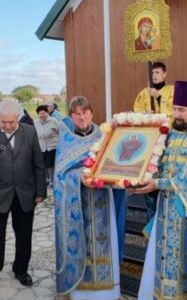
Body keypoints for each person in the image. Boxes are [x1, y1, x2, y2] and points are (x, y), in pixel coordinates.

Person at [131, 81, 187, 299]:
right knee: (162, 270)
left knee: (182, 272)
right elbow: (161, 164)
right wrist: (142, 175)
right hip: (165, 212)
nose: (176, 115)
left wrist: (157, 184)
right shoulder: (175, 131)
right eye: (174, 108)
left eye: (181, 110)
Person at [54, 96, 128, 299]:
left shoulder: (103, 136)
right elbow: (60, 175)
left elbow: (115, 163)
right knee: (82, 245)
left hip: (102, 203)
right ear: (71, 116)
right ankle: (79, 293)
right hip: (76, 205)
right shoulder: (66, 138)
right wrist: (80, 176)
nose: (81, 117)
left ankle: (107, 292)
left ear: (91, 114)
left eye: (85, 113)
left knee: (104, 244)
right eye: (77, 114)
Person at [0, 99, 46, 300]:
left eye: (11, 122)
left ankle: (21, 270)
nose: (7, 126)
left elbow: (38, 162)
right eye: (3, 122)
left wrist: (40, 190)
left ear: (18, 118)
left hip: (25, 193)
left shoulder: (29, 132)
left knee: (24, 236)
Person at [33, 105, 61, 186]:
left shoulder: (54, 121)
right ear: (38, 114)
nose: (42, 115)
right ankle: (46, 179)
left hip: (52, 146)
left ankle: (53, 180)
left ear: (47, 113)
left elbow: (61, 131)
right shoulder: (35, 122)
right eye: (40, 113)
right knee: (43, 165)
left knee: (51, 165)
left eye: (43, 113)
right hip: (41, 147)